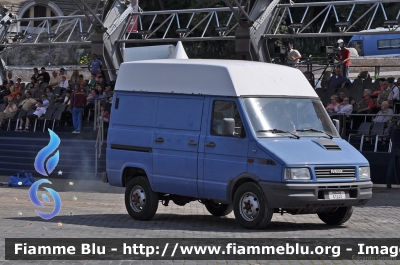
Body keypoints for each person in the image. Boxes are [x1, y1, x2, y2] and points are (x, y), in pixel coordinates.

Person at [386, 123, 400, 188]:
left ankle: (388, 184)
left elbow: (389, 135)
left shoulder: (392, 129)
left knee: (391, 167)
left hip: (394, 148)